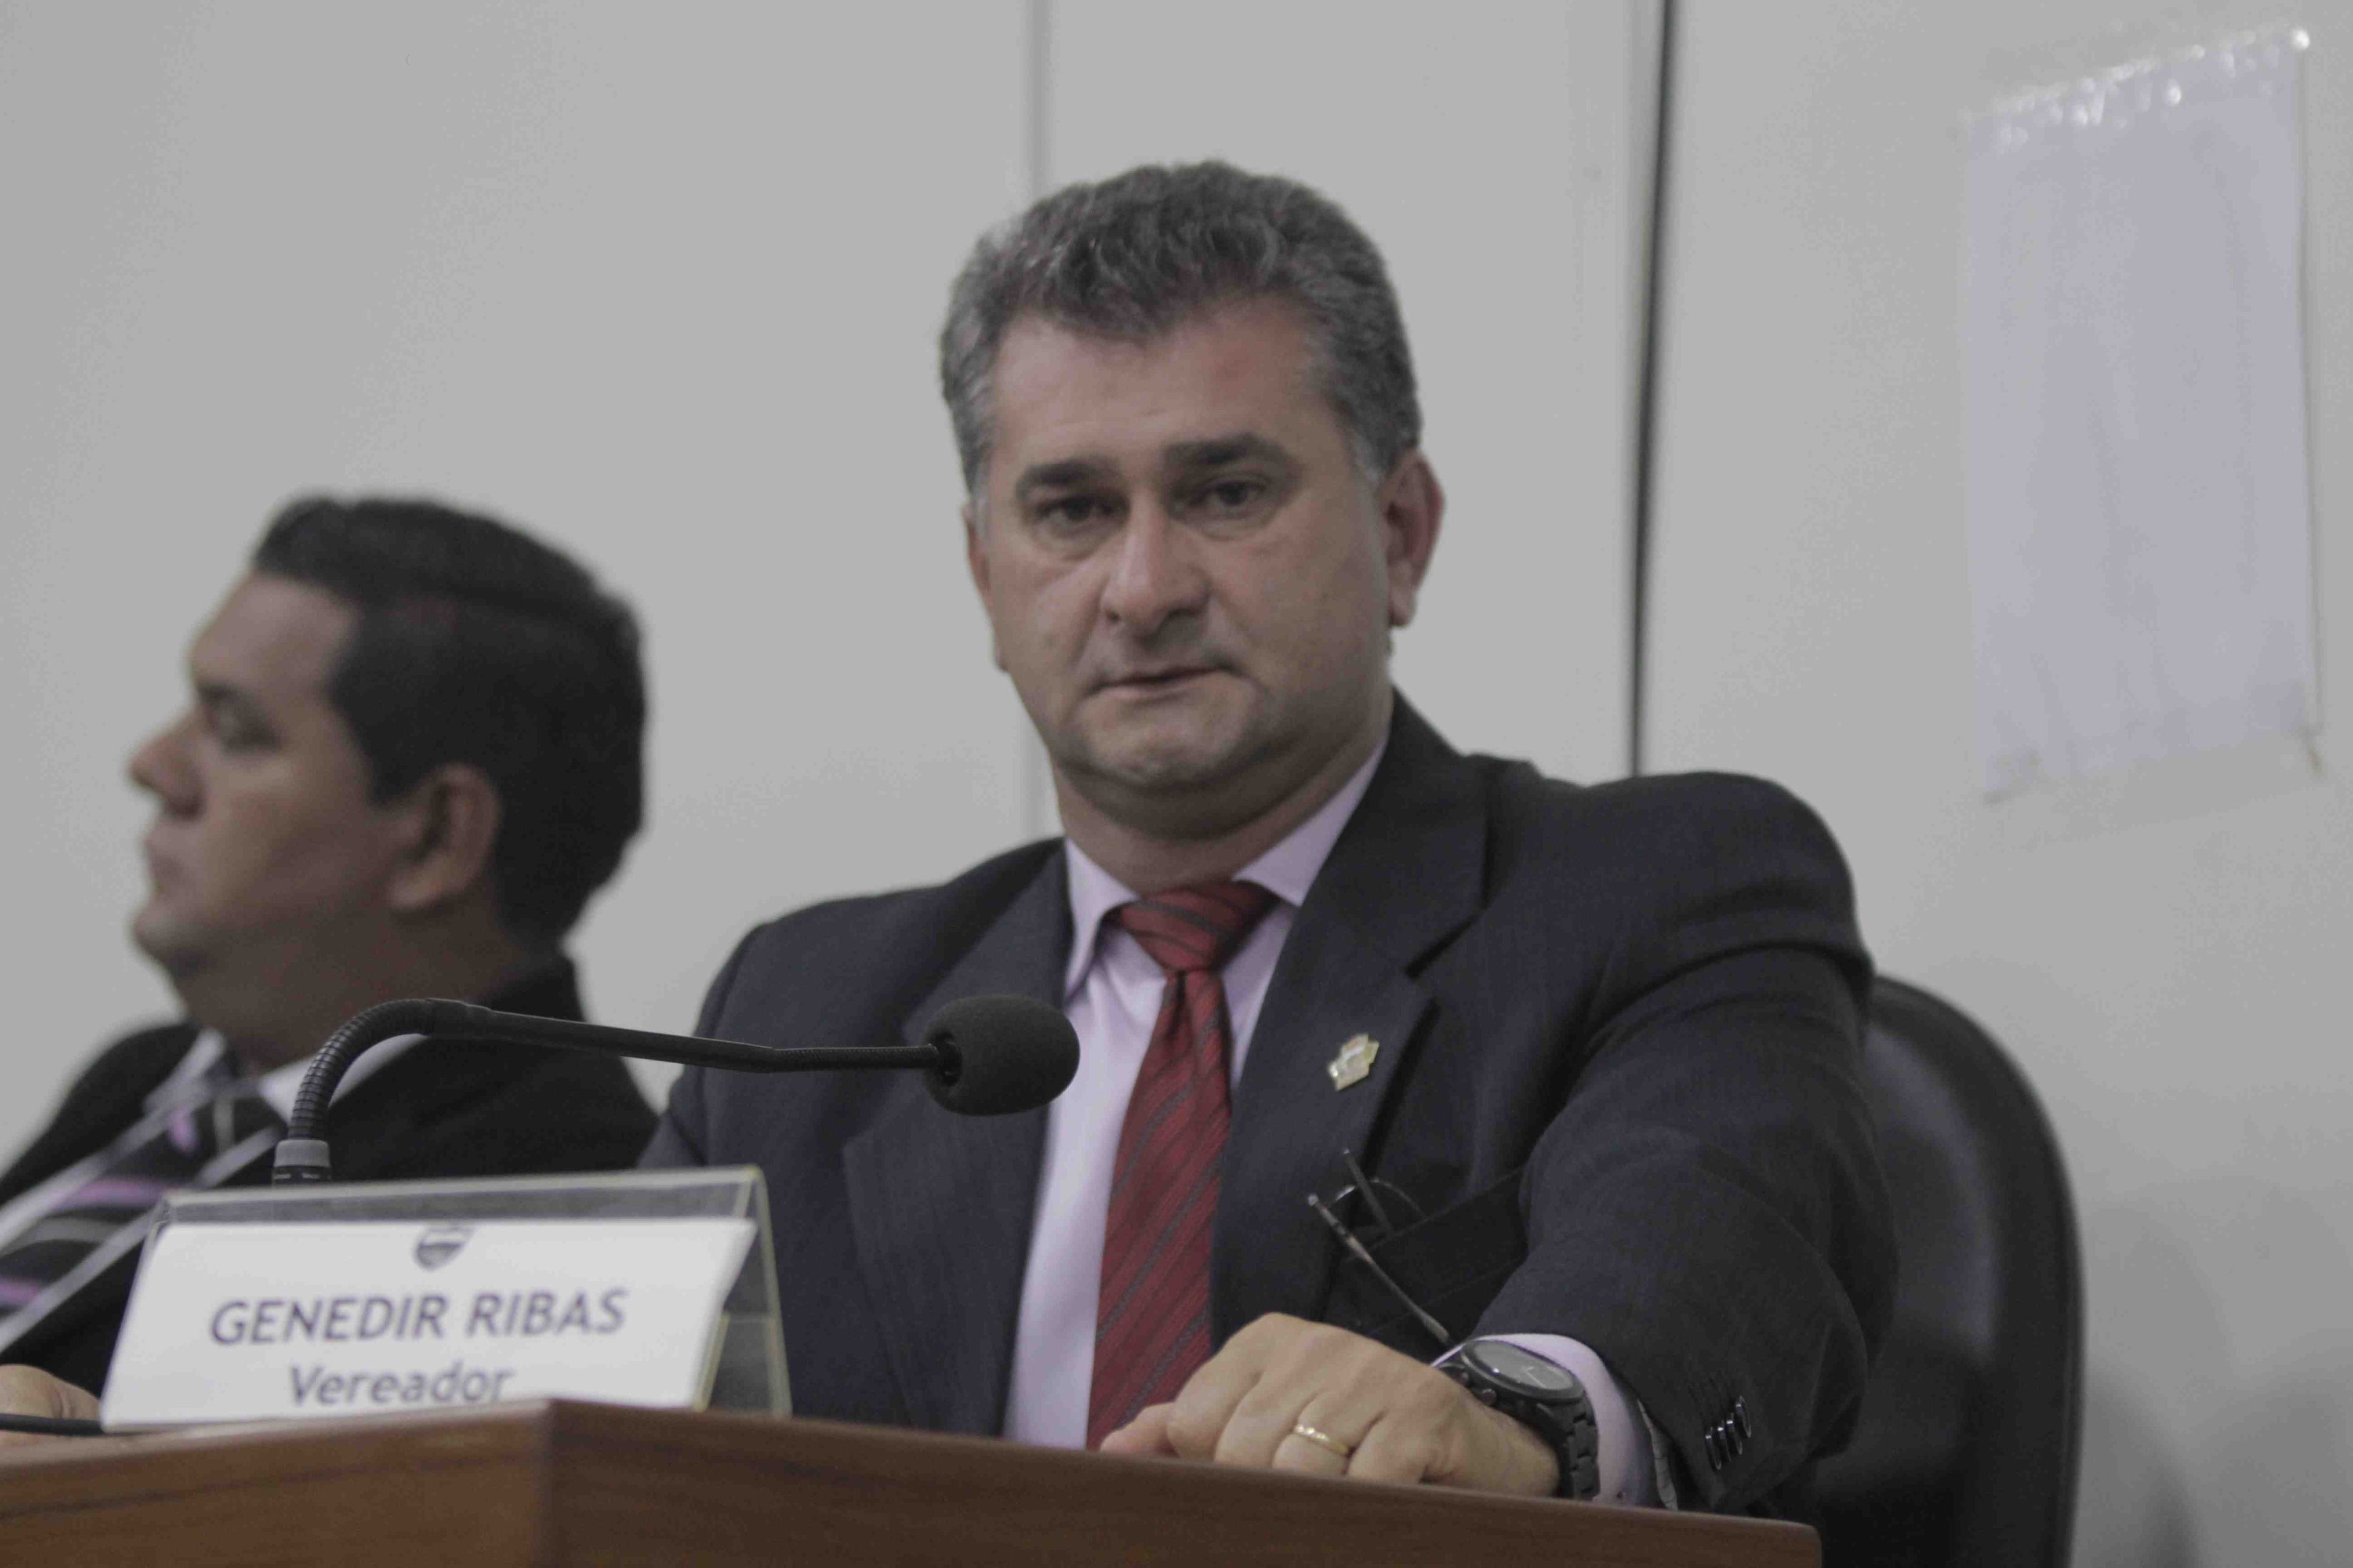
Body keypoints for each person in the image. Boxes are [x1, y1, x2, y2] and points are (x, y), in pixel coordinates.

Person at [642, 163, 1894, 1516]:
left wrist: (1507, 1412)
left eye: (1226, 492)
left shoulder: (1656, 890)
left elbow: (1716, 1222)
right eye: (1072, 510)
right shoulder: (798, 1013)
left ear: (1401, 532)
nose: (1143, 589)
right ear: (984, 575)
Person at [0, 496, 658, 1406]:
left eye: (236, 733)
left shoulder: (556, 1204)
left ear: (434, 837)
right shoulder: (147, 1074)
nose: (153, 764)